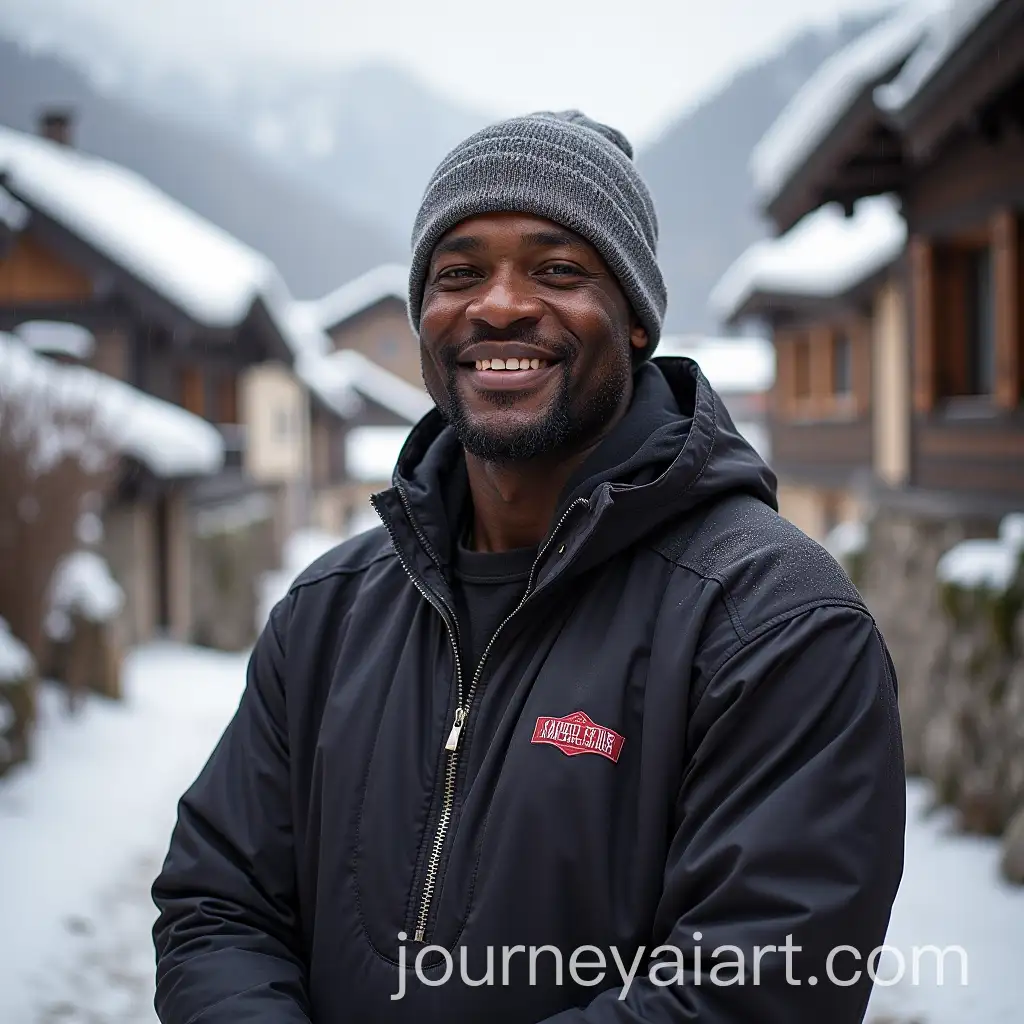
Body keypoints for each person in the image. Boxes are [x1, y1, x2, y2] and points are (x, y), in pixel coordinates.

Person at [151, 110, 906, 1023]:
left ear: (633, 321)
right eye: (458, 273)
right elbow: (218, 908)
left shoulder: (772, 622)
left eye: (557, 270)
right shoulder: (327, 613)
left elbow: (755, 991)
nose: (497, 305)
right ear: (423, 320)